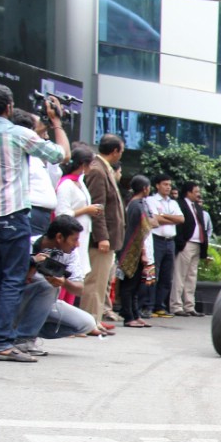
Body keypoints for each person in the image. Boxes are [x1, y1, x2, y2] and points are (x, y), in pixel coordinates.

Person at [0, 84, 70, 362]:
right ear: (9, 107)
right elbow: (61, 155)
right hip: (11, 214)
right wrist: (56, 122)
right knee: (13, 278)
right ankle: (2, 343)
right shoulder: (18, 134)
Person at [11, 215, 98, 355]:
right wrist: (31, 264)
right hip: (15, 302)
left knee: (87, 323)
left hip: (42, 305)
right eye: (74, 240)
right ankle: (24, 339)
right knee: (45, 285)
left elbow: (79, 288)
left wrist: (64, 282)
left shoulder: (70, 253)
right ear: (59, 237)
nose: (77, 245)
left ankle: (22, 332)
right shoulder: (27, 244)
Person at [82, 134, 126, 327]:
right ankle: (89, 321)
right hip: (101, 238)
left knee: (102, 283)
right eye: (121, 151)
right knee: (95, 282)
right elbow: (97, 206)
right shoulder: (97, 170)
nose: (120, 155)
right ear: (115, 151)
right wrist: (102, 237)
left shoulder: (103, 169)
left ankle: (95, 319)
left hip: (109, 237)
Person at [54, 146, 101, 290]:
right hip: (70, 236)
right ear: (82, 164)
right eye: (91, 163)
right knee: (69, 273)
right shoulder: (66, 184)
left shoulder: (80, 182)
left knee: (78, 274)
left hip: (81, 236)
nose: (93, 167)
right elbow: (61, 214)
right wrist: (86, 209)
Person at [144, 174, 184, 318]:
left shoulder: (173, 203)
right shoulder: (151, 200)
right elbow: (155, 219)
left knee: (167, 275)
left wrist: (164, 216)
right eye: (165, 184)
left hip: (170, 241)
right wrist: (169, 218)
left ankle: (159, 306)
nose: (168, 187)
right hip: (157, 239)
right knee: (154, 273)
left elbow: (181, 219)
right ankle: (148, 305)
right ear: (157, 185)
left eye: (169, 185)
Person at [118, 175, 154, 328]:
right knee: (129, 286)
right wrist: (144, 252)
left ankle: (135, 314)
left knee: (136, 285)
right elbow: (138, 231)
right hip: (133, 250)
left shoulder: (138, 204)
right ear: (145, 188)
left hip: (137, 248)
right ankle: (128, 316)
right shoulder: (136, 206)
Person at [172, 181, 213, 316]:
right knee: (180, 275)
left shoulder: (197, 207)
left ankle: (189, 306)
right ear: (188, 192)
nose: (198, 194)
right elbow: (179, 226)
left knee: (192, 276)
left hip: (198, 244)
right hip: (186, 243)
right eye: (196, 192)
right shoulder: (180, 204)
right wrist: (181, 242)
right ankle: (176, 305)